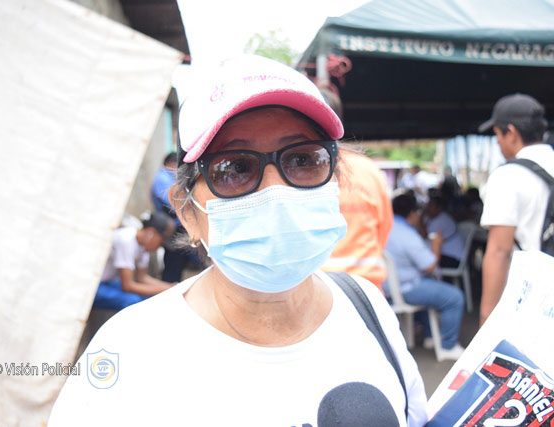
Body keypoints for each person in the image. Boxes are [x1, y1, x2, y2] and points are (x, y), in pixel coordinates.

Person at [50, 55, 427, 426]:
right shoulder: (128, 353)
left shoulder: (367, 309)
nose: (277, 192)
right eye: (233, 169)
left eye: (303, 160)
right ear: (187, 212)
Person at [478, 93, 553, 325]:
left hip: (536, 300)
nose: (497, 142)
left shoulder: (507, 176)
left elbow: (499, 251)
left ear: (511, 132)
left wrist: (487, 317)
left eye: (497, 135)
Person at [386, 193, 465, 359]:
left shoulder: (384, 227)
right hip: (406, 288)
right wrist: (436, 245)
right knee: (454, 297)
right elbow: (430, 266)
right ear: (413, 213)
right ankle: (448, 346)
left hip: (385, 287)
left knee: (428, 284)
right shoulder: (407, 235)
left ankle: (430, 336)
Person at [322, 149, 393, 290]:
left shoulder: (301, 165)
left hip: (316, 284)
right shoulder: (368, 169)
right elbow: (385, 226)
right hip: (366, 284)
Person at [92, 211, 175, 310]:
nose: (159, 247)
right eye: (161, 242)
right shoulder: (126, 240)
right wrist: (165, 289)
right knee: (133, 301)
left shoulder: (144, 247)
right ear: (151, 232)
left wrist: (172, 287)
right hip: (93, 285)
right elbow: (127, 286)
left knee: (147, 299)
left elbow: (142, 278)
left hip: (109, 281)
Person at [150, 151, 202, 282]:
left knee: (179, 257)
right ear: (171, 164)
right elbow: (173, 202)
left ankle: (172, 282)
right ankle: (169, 283)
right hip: (171, 226)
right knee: (173, 258)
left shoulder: (169, 178)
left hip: (177, 224)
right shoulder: (162, 178)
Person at [425, 195, 465, 269]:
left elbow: (425, 236)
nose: (427, 208)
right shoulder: (432, 218)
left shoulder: (442, 220)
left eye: (431, 206)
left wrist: (419, 221)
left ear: (439, 208)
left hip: (452, 258)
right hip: (446, 255)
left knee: (422, 261)